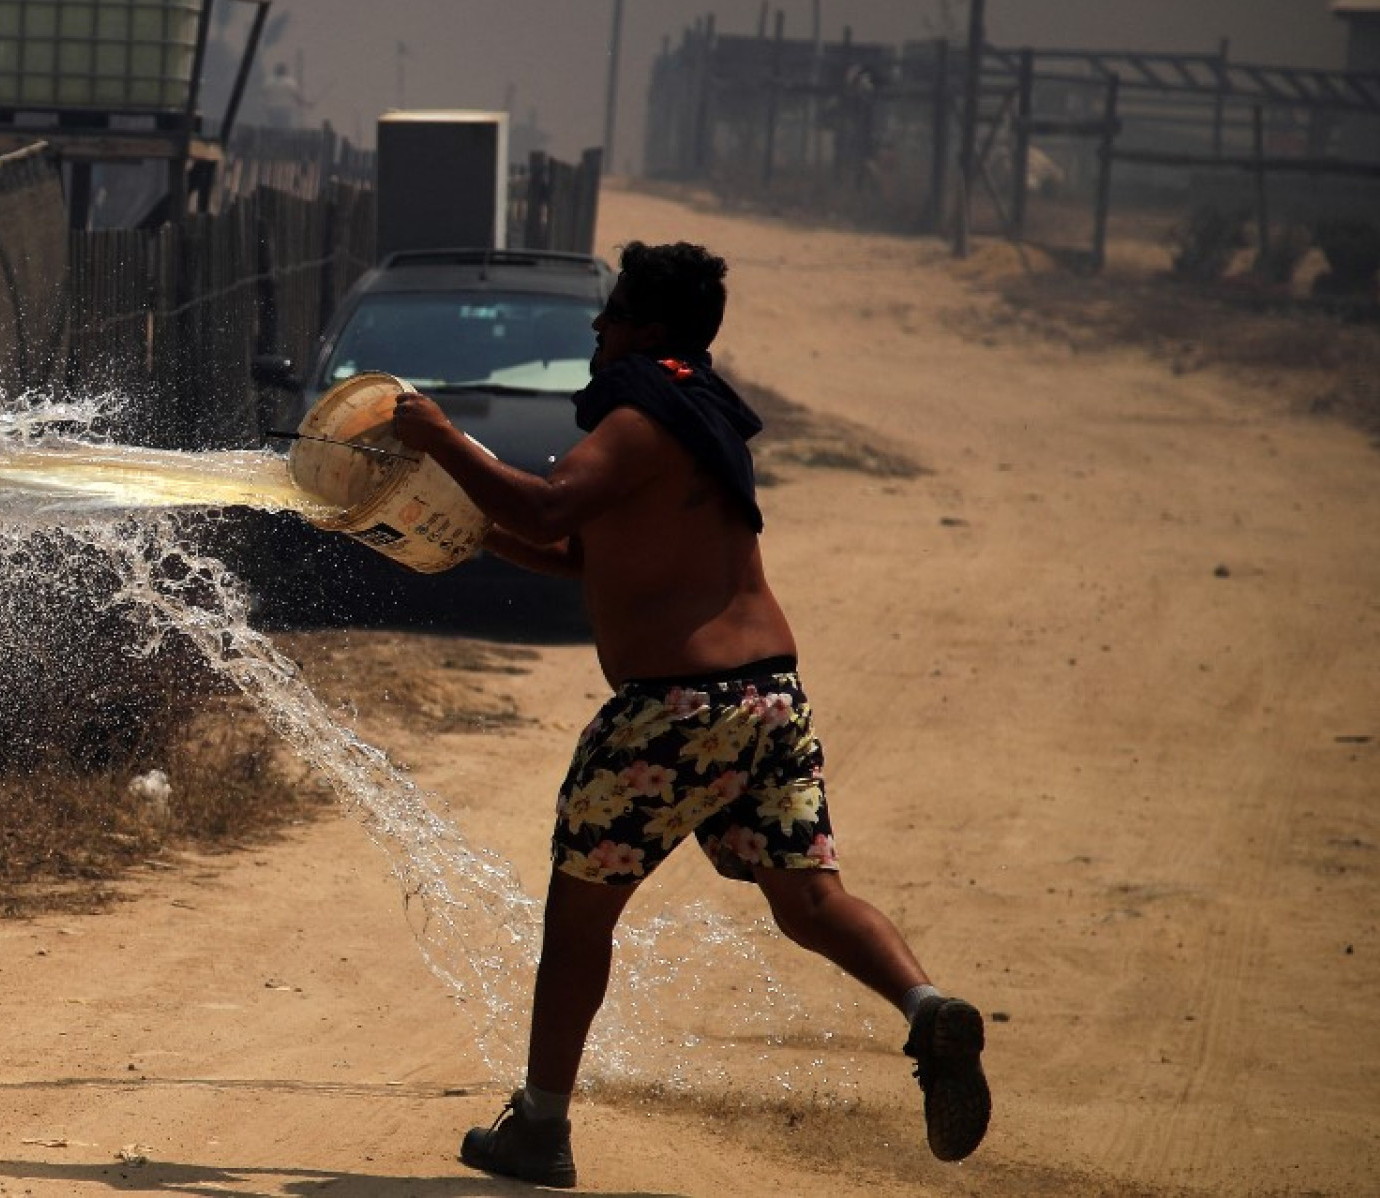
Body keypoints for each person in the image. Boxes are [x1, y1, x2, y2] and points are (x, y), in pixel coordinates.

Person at [389, 241, 989, 1188]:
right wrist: (468, 537)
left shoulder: (635, 419)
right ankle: (926, 1007)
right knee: (810, 900)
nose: (599, 326)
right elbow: (583, 554)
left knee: (579, 922)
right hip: (771, 702)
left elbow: (549, 509)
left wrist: (438, 439)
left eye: (615, 311)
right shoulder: (701, 417)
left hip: (674, 711)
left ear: (650, 330)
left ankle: (540, 1129)